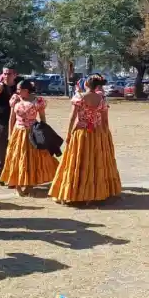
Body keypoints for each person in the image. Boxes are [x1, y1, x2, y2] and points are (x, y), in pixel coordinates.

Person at [50, 75, 121, 204]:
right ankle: (93, 194)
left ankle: (74, 193)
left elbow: (72, 118)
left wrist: (69, 134)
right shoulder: (102, 99)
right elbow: (105, 121)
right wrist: (105, 135)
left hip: (81, 133)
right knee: (94, 162)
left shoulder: (79, 97)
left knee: (78, 161)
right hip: (97, 133)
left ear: (86, 84)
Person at [0, 79, 59, 196]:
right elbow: (12, 118)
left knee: (32, 159)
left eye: (19, 89)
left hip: (33, 133)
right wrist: (10, 134)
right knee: (17, 158)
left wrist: (44, 132)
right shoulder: (15, 99)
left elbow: (42, 118)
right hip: (18, 132)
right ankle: (17, 186)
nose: (16, 91)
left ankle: (29, 185)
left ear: (26, 91)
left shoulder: (38, 101)